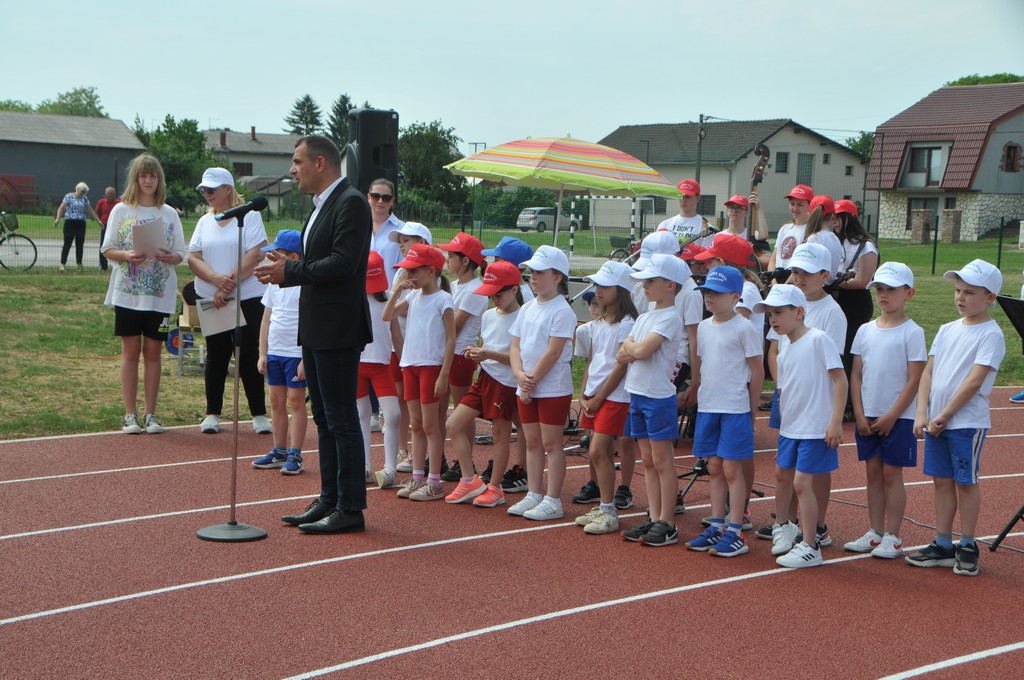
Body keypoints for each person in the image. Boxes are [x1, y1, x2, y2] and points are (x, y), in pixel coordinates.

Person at [255, 134, 373, 535]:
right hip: (317, 327)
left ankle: (350, 507)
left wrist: (290, 271)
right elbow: (321, 262)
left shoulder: (351, 202)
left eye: (297, 161)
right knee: (324, 417)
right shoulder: (322, 205)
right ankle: (329, 498)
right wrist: (288, 265)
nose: (292, 170)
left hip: (338, 328)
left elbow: (343, 263)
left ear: (320, 163)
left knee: (341, 418)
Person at [908, 259, 1006, 576]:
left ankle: (966, 544)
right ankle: (942, 543)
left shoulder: (991, 334)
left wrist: (946, 414)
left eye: (970, 292)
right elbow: (928, 372)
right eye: (958, 291)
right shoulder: (947, 329)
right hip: (937, 421)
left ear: (990, 297)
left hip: (965, 423)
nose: (961, 297)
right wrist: (922, 412)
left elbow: (975, 381)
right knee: (941, 481)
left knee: (965, 482)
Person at [759, 243, 847, 546]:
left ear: (824, 275)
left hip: (815, 407)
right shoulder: (782, 306)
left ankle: (815, 528)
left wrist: (834, 419)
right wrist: (782, 388)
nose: (798, 277)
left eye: (806, 272)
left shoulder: (831, 315)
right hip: (790, 399)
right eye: (795, 271)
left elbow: (834, 371)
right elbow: (775, 352)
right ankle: (786, 523)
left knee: (811, 472)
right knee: (786, 470)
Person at [99, 154, 186, 434]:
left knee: (153, 352)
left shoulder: (169, 213)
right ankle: (130, 414)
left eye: (153, 176)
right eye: (143, 176)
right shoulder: (121, 210)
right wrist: (127, 255)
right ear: (135, 179)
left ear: (159, 179)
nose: (148, 180)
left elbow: (180, 254)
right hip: (128, 294)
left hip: (159, 295)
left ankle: (150, 414)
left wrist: (169, 256)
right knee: (130, 351)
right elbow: (107, 249)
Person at [846, 262, 926, 558]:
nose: (883, 294)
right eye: (879, 288)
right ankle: (875, 531)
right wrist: (859, 412)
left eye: (891, 289)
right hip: (868, 414)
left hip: (899, 417)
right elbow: (856, 374)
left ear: (909, 293)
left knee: (892, 475)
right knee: (873, 474)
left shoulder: (912, 332)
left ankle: (893, 535)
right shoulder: (865, 330)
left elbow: (915, 378)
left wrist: (892, 415)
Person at [684, 267, 763, 556]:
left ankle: (735, 530)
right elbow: (704, 363)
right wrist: (697, 390)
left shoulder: (744, 328)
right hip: (709, 406)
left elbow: (757, 371)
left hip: (734, 408)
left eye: (716, 293)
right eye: (707, 292)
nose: (709, 297)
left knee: (731, 469)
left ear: (735, 297)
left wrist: (752, 409)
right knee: (714, 467)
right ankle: (717, 525)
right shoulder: (704, 327)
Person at [188, 167, 271, 435]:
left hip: (247, 296)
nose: (207, 194)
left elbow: (255, 254)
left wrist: (227, 285)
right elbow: (193, 257)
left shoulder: (251, 216)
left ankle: (258, 413)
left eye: (211, 189)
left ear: (228, 189)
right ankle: (212, 413)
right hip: (213, 297)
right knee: (217, 354)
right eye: (204, 190)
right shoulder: (204, 221)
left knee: (248, 354)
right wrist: (215, 280)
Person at [618, 254, 688, 545]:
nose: (644, 286)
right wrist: (633, 348)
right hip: (637, 393)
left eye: (650, 281)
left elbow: (640, 351)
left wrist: (632, 346)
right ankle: (654, 514)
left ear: (670, 285)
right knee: (647, 460)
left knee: (662, 461)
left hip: (658, 397)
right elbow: (622, 354)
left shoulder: (671, 317)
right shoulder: (645, 317)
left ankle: (667, 522)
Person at [443, 260, 524, 507]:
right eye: (490, 295)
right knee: (453, 424)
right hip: (484, 378)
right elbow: (485, 346)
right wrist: (477, 354)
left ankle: (495, 487)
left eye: (498, 294)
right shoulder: (489, 315)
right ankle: (469, 480)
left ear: (514, 289)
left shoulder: (523, 317)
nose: (494, 300)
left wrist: (488, 354)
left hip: (505, 383)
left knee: (500, 435)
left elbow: (520, 358)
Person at [508, 245, 577, 521]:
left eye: (539, 273)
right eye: (531, 272)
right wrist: (518, 375)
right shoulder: (527, 309)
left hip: (552, 388)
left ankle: (553, 499)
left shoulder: (562, 311)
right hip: (526, 384)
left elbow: (553, 352)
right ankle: (533, 493)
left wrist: (530, 381)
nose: (533, 277)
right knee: (532, 441)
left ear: (557, 277)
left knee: (551, 443)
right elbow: (515, 346)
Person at [382, 243, 455, 502]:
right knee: (416, 423)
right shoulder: (412, 297)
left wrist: (444, 373)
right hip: (410, 365)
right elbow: (387, 315)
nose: (409, 276)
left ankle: (434, 482)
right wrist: (396, 291)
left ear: (431, 271)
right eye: (407, 271)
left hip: (431, 366)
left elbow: (451, 338)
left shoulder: (443, 299)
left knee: (431, 425)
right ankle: (417, 477)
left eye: (413, 271)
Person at [572, 261, 638, 535]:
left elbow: (620, 366)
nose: (598, 290)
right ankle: (604, 505)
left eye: (605, 286)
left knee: (598, 450)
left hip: (615, 396)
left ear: (621, 289)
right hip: (595, 394)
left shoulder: (627, 324)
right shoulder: (598, 323)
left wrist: (599, 397)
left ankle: (609, 510)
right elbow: (592, 360)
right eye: (597, 285)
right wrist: (583, 393)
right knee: (599, 451)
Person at [480, 235, 534, 493]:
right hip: (505, 370)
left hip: (515, 372)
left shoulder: (525, 299)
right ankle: (518, 466)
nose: (492, 262)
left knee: (522, 422)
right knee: (519, 420)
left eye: (498, 258)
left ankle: (523, 468)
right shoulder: (511, 294)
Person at [252, 230, 308, 475]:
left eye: (276, 255)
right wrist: (263, 353)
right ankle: (279, 450)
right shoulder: (274, 284)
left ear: (293, 257)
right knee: (276, 401)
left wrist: (306, 357)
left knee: (296, 401)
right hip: (275, 352)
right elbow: (266, 320)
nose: (270, 259)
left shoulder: (305, 284)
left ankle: (295, 454)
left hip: (295, 353)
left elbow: (310, 322)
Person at [437, 232, 488, 482]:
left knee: (461, 412)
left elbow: (454, 327)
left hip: (461, 355)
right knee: (438, 409)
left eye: (451, 256)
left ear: (465, 260)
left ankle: (465, 463)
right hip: (445, 352)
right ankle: (439, 457)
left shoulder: (475, 290)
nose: (447, 260)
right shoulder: (454, 286)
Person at [388, 221, 433, 473]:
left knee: (420, 404)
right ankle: (403, 449)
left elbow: (412, 309)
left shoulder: (429, 277)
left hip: (418, 349)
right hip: (398, 344)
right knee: (400, 397)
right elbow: (392, 310)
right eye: (400, 241)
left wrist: (397, 307)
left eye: (407, 240)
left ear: (422, 242)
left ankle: (421, 454)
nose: (401, 245)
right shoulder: (400, 272)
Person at [831, 199, 880, 413]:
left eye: (837, 217)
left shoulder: (866, 246)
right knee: (837, 350)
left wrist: (834, 282)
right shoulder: (837, 242)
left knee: (850, 351)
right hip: (838, 298)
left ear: (849, 218)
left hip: (856, 302)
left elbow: (862, 281)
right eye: (832, 217)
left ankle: (851, 403)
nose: (834, 221)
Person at [358, 251, 401, 488]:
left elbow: (396, 334)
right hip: (356, 364)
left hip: (382, 365)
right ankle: (364, 465)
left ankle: (390, 468)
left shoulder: (389, 297)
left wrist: (403, 362)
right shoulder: (352, 297)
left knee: (393, 414)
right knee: (361, 414)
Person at [55, 181, 103, 271]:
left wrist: (98, 221)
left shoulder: (85, 199)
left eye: (85, 192)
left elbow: (90, 210)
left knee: (80, 244)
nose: (83, 194)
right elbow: (61, 208)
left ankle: (79, 265)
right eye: (82, 191)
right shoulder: (68, 196)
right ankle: (62, 264)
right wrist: (58, 218)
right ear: (77, 189)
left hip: (81, 223)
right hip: (69, 222)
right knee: (67, 244)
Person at [766, 184, 813, 272]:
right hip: (777, 276)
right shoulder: (785, 229)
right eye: (792, 204)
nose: (795, 208)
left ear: (810, 206)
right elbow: (773, 260)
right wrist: (773, 277)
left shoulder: (811, 231)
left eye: (800, 205)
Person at [658, 179, 715, 248]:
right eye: (681, 196)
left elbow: (705, 253)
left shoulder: (707, 228)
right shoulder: (665, 224)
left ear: (698, 198)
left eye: (688, 196)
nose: (683, 200)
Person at [801, 195, 844, 283]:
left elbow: (805, 268)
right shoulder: (835, 238)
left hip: (815, 287)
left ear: (810, 214)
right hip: (830, 287)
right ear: (831, 216)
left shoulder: (814, 238)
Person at [367, 178, 403, 281]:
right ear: (368, 197)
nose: (380, 201)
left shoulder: (402, 230)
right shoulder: (356, 226)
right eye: (375, 196)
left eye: (386, 198)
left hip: (390, 289)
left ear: (392, 201)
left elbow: (403, 269)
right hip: (360, 289)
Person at [95, 187, 119, 272]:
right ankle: (103, 266)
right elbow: (97, 212)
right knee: (103, 245)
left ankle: (117, 265)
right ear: (105, 194)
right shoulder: (101, 202)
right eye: (108, 194)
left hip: (115, 226)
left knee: (117, 245)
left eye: (112, 194)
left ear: (115, 195)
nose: (110, 196)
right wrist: (99, 222)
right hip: (104, 225)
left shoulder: (118, 203)